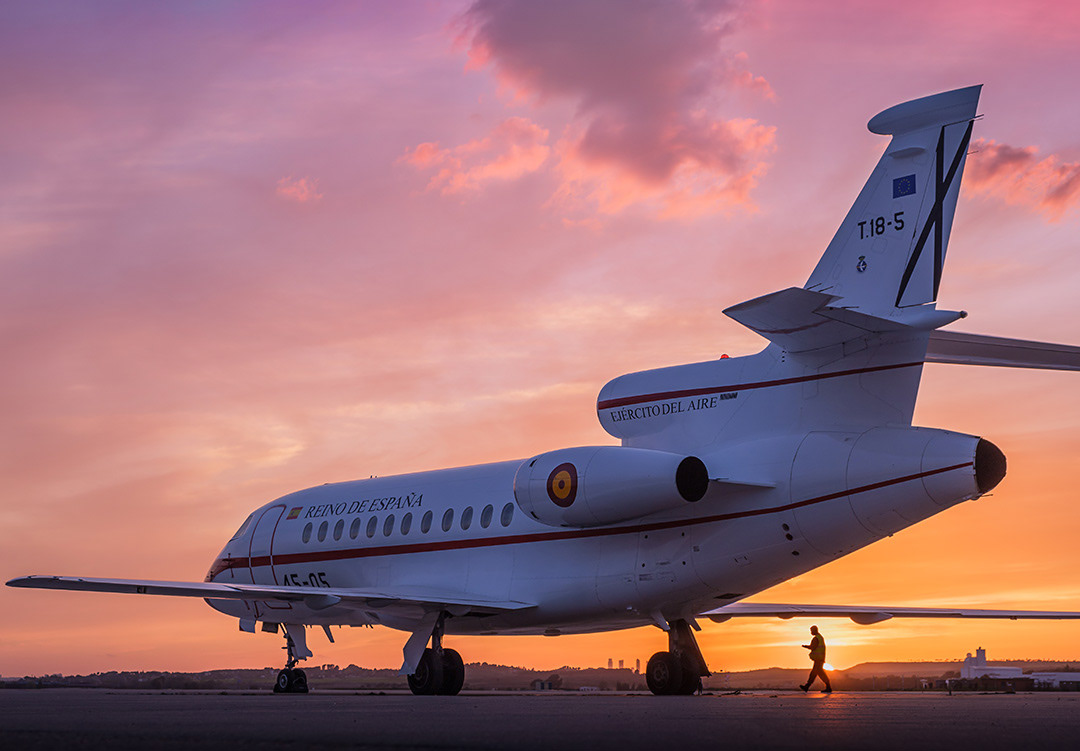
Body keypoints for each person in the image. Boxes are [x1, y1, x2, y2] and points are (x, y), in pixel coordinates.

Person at [800, 625, 832, 693]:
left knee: (815, 673)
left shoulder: (816, 638)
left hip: (818, 659)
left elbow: (813, 647)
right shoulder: (820, 637)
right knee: (818, 673)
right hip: (820, 658)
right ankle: (808, 686)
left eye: (811, 631)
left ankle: (807, 686)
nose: (811, 632)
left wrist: (805, 646)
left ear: (814, 630)